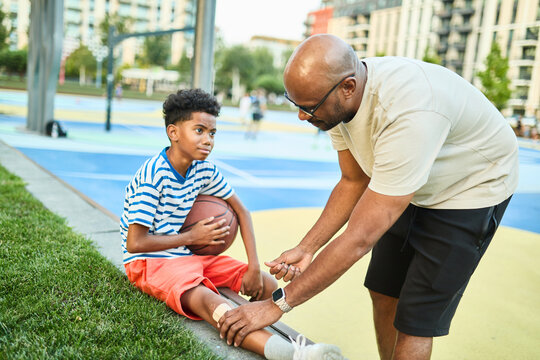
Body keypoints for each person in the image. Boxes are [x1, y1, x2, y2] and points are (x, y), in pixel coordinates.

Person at [218, 34, 519, 360]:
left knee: (415, 322)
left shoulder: (408, 111)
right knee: (383, 290)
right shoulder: (332, 96)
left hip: (469, 190)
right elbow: (353, 180)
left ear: (348, 86)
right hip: (413, 179)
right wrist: (307, 247)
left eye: (308, 108)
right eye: (297, 106)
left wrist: (278, 304)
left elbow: (359, 238)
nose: (302, 117)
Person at [120, 88, 346, 360]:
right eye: (199, 130)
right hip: (149, 262)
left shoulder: (203, 169)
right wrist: (191, 237)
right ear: (173, 133)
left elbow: (242, 211)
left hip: (186, 255)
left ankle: (261, 330)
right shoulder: (152, 176)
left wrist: (253, 265)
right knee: (209, 300)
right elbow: (135, 243)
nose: (208, 140)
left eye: (212, 133)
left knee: (266, 284)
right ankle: (286, 353)